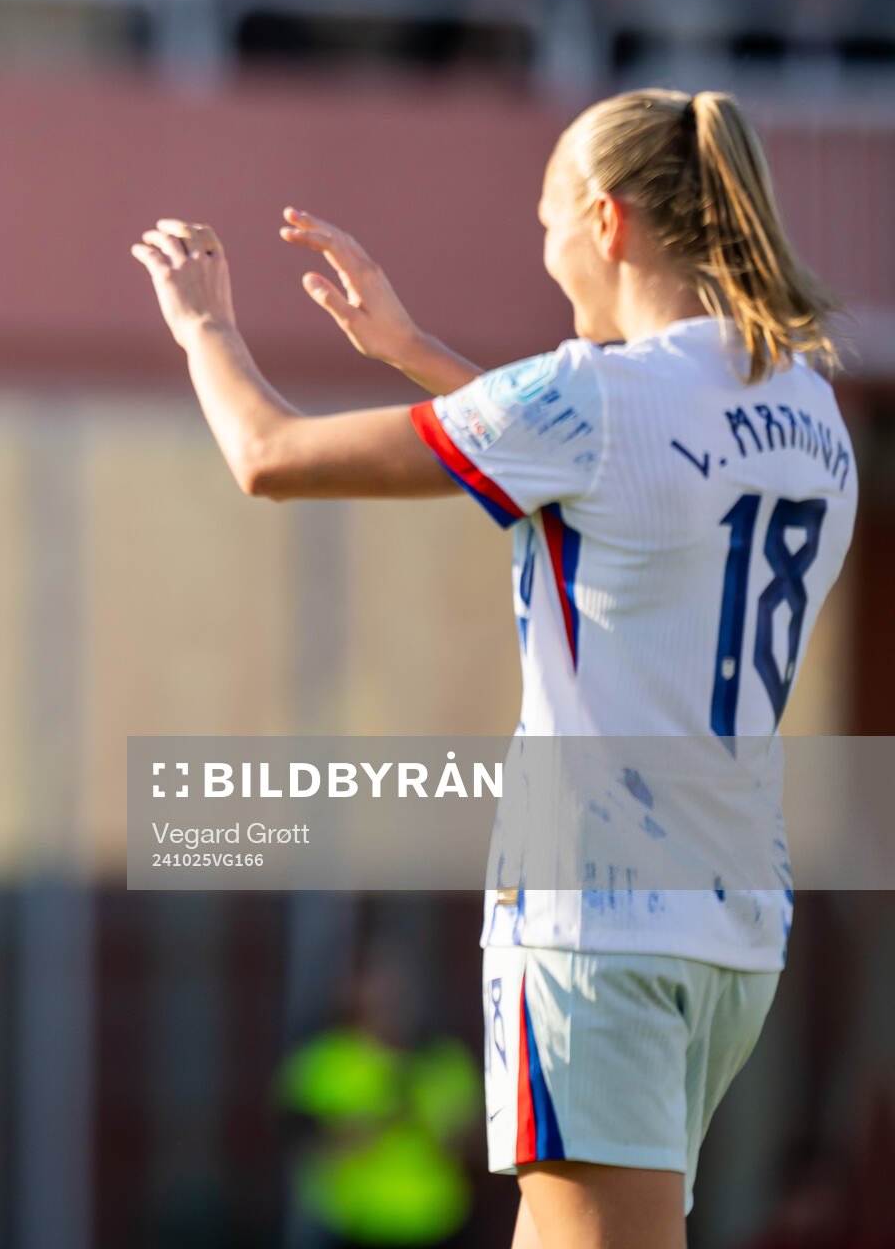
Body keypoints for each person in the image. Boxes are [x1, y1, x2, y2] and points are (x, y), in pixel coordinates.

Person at [131, 88, 855, 1249]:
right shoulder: (809, 409)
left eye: (547, 221)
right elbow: (616, 483)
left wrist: (202, 326)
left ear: (607, 221)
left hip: (597, 916)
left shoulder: (594, 394)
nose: (548, 250)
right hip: (732, 922)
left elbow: (268, 455)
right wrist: (414, 352)